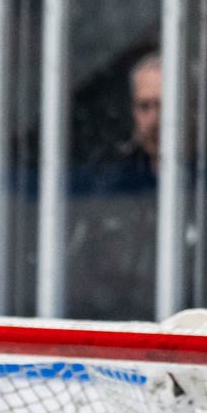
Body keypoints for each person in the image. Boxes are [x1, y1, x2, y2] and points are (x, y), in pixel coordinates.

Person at [68, 51, 163, 322]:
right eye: (145, 107)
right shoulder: (110, 183)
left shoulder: (200, 189)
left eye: (165, 106)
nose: (155, 120)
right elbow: (81, 280)